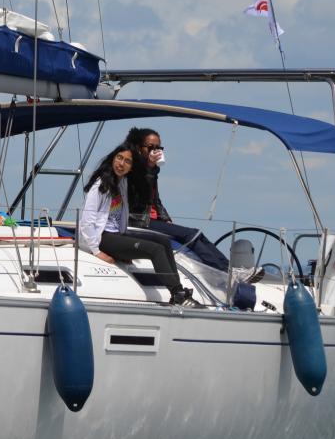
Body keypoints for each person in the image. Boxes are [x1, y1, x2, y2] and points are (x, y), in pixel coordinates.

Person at [78, 144, 197, 306]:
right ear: (113, 159)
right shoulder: (100, 185)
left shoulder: (122, 183)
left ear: (131, 167)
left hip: (117, 235)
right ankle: (177, 293)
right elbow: (87, 221)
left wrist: (125, 249)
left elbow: (145, 176)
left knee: (163, 241)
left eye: (127, 161)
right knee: (155, 250)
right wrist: (96, 251)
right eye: (119, 158)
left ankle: (179, 290)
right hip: (102, 237)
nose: (121, 164)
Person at [124, 127, 229, 272]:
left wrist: (165, 218)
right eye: (151, 147)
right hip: (139, 221)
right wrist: (149, 167)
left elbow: (155, 200)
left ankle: (228, 267)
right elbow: (139, 194)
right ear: (139, 148)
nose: (155, 151)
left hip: (153, 220)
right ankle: (221, 269)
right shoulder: (132, 169)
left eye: (158, 148)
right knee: (190, 235)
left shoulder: (151, 170)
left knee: (197, 233)